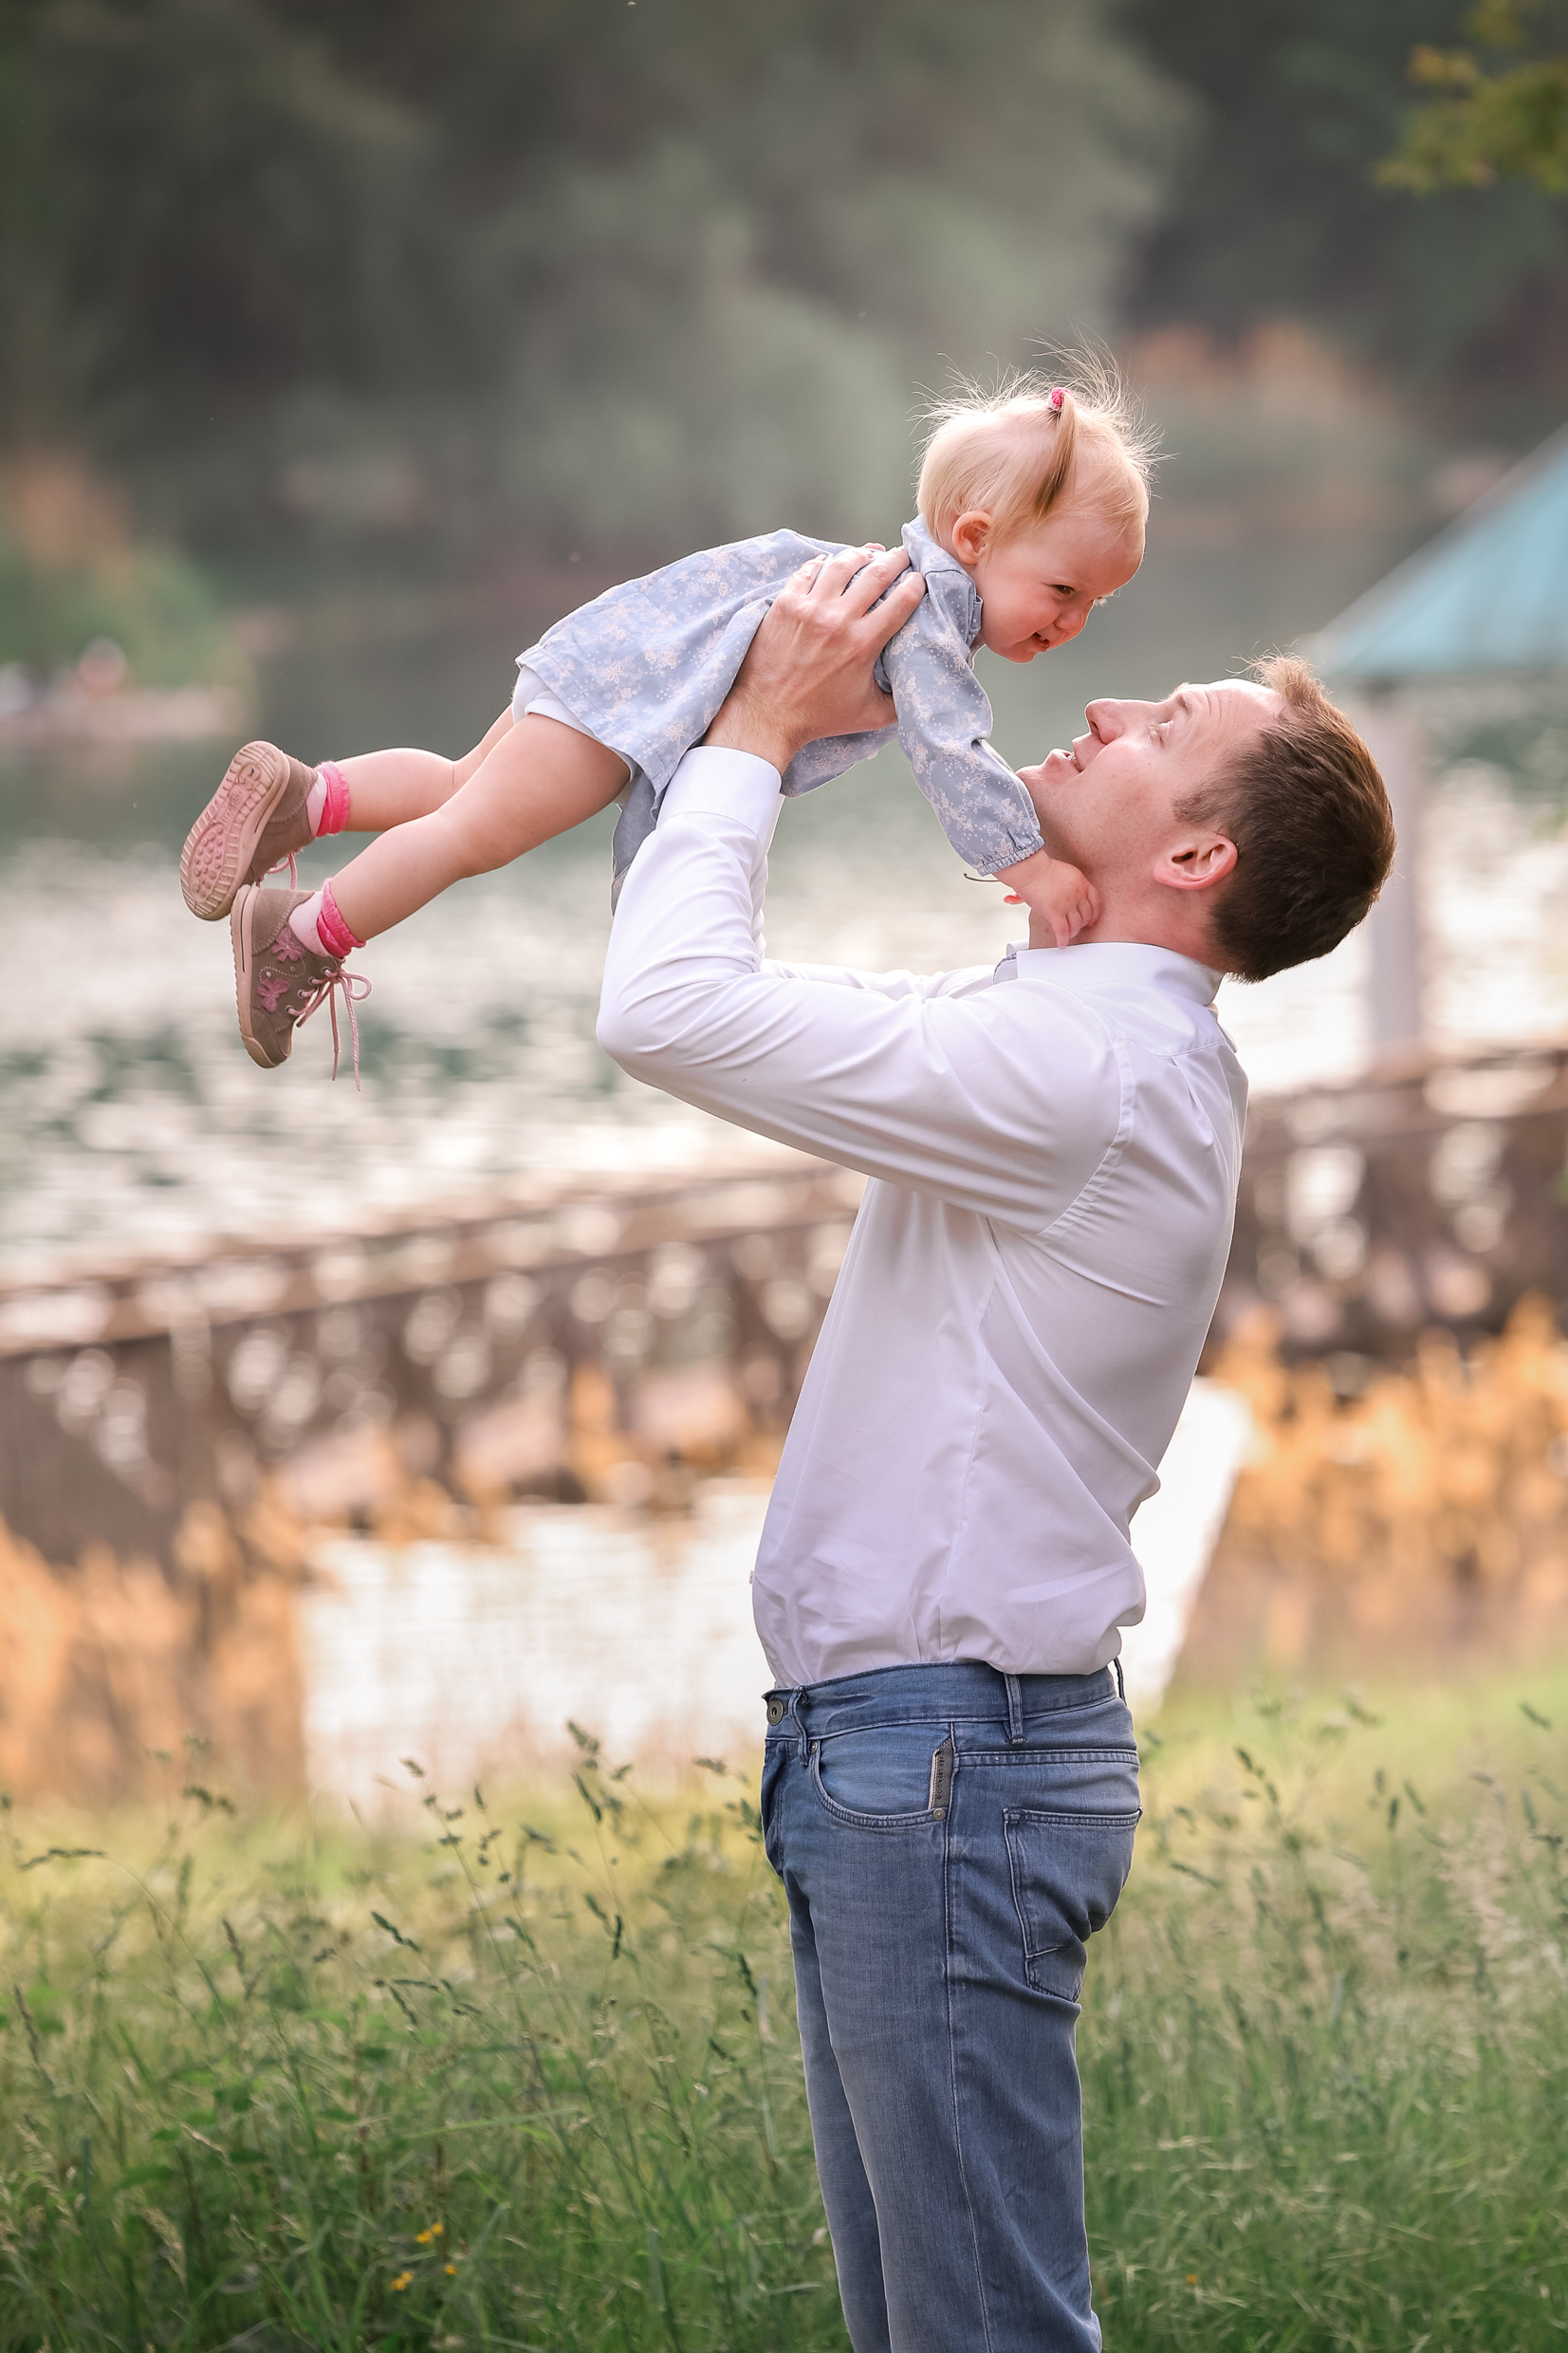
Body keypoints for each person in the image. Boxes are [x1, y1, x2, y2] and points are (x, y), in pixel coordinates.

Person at [595, 544, 1395, 2352]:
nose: (1103, 703)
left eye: (1158, 722)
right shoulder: (1066, 1037)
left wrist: (752, 731)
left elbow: (662, 1012)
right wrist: (731, 757)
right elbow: (716, 994)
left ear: (1192, 859)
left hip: (943, 1755)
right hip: (903, 1749)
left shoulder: (1080, 1074)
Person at [177, 374, 1148, 1073]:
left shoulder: (867, 572)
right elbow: (952, 756)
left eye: (1094, 605)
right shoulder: (927, 623)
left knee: (459, 784)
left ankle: (306, 797)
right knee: (467, 836)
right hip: (639, 711)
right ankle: (303, 938)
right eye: (1062, 588)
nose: (1069, 622)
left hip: (616, 654)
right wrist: (1031, 863)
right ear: (973, 540)